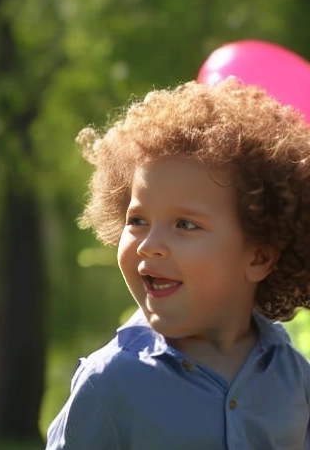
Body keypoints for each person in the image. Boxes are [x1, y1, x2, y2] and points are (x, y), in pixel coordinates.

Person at [45, 78, 310, 449]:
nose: (150, 246)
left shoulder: (293, 378)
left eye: (185, 225)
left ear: (259, 256)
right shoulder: (110, 383)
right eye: (137, 220)